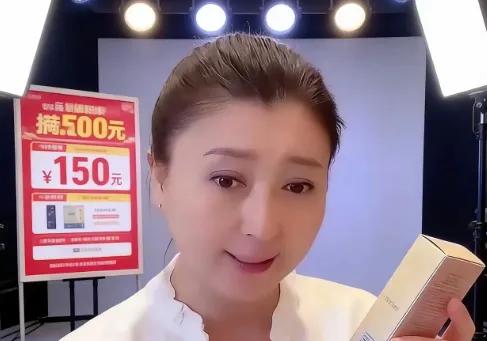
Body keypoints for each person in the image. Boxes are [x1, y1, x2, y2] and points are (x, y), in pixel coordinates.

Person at [60, 33, 476, 341]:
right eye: (226, 180)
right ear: (159, 178)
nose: (262, 227)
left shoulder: (360, 324)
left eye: (297, 186)